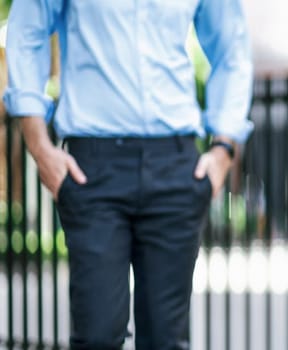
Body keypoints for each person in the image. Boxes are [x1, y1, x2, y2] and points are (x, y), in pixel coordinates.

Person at [3, 0, 253, 348]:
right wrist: (40, 146)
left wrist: (223, 149)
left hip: (175, 164)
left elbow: (232, 48)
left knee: (166, 341)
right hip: (93, 168)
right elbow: (26, 32)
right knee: (97, 338)